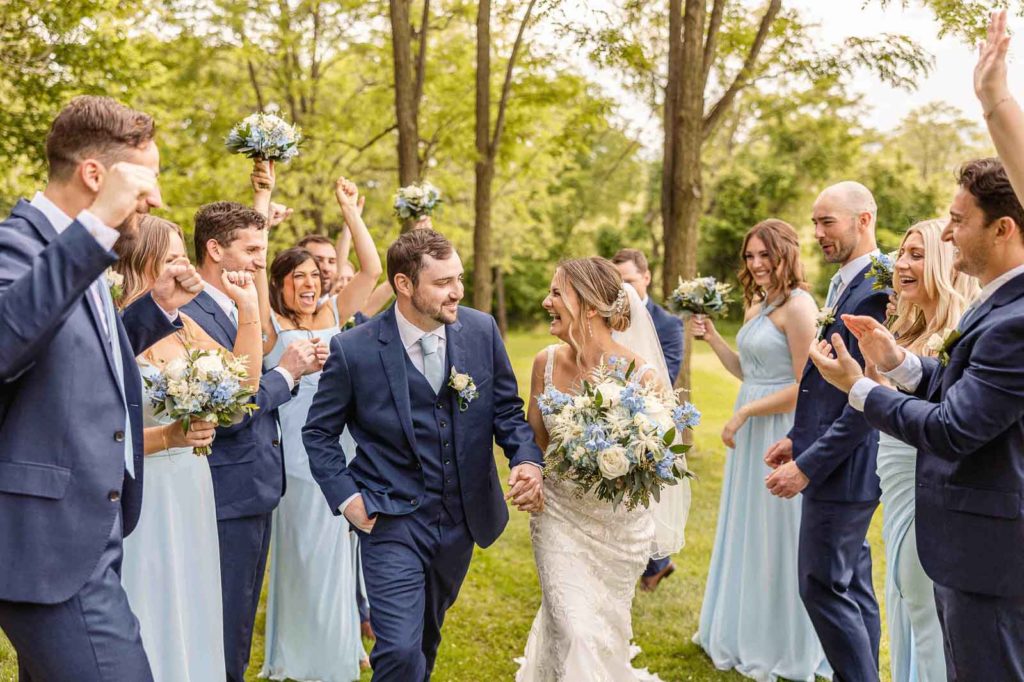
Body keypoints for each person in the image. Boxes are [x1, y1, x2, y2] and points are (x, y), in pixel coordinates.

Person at [0, 96, 203, 679]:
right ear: (97, 175)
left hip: (91, 532)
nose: (156, 199)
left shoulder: (85, 254)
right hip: (48, 546)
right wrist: (95, 228)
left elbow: (76, 355)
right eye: (147, 179)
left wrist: (155, 308)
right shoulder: (21, 245)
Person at [811, 157, 1024, 677]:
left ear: (1002, 229)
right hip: (963, 540)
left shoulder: (1015, 319)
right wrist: (896, 361)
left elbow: (953, 429)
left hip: (988, 553)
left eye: (958, 220)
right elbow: (958, 387)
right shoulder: (994, 306)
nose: (948, 232)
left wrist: (859, 387)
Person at [303, 228, 544, 681]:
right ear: (404, 285)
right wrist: (347, 498)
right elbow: (318, 432)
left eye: (458, 278)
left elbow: (507, 412)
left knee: (424, 640)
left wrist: (526, 460)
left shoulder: (480, 330)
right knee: (397, 648)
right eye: (443, 283)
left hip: (460, 519)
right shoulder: (353, 349)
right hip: (390, 518)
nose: (457, 292)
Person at [516, 257, 689, 681]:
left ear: (590, 306)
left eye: (557, 293)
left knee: (600, 632)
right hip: (558, 518)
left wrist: (625, 458)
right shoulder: (546, 364)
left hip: (619, 529)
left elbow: (665, 459)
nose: (546, 301)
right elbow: (534, 441)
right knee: (574, 629)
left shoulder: (641, 376)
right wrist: (529, 474)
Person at [116, 215, 263, 681]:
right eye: (175, 257)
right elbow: (100, 438)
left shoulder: (183, 326)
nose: (187, 266)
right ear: (145, 261)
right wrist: (170, 437)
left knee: (192, 594)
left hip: (191, 486)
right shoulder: (118, 327)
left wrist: (248, 307)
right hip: (146, 488)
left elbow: (245, 383)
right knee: (151, 593)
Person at [181, 200, 320, 682]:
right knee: (223, 619)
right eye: (253, 249)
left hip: (254, 484)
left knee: (237, 618)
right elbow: (231, 412)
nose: (262, 260)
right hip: (225, 488)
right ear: (215, 249)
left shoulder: (235, 308)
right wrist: (288, 372)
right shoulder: (191, 314)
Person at [254, 167, 383, 682]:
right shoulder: (267, 323)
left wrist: (350, 210)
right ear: (281, 285)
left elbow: (371, 270)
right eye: (298, 278)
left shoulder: (333, 314)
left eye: (315, 277)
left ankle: (336, 649)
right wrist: (262, 199)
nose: (309, 285)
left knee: (337, 551)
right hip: (289, 455)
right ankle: (295, 653)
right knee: (302, 553)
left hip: (337, 448)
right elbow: (254, 259)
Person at [689, 220, 829, 681]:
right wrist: (713, 339)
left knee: (778, 535)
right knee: (749, 527)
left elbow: (805, 385)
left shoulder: (800, 307)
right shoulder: (757, 302)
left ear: (785, 253)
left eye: (764, 255)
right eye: (750, 256)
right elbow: (747, 371)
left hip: (781, 429)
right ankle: (742, 629)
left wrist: (746, 414)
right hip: (752, 421)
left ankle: (783, 642)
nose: (756, 264)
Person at [764, 181, 889, 681]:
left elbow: (865, 401)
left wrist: (807, 466)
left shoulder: (876, 289)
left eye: (827, 222)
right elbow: (829, 382)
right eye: (814, 222)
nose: (817, 233)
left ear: (864, 220)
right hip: (835, 459)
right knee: (852, 587)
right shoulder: (844, 283)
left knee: (822, 586)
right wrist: (799, 436)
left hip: (845, 469)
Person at [873, 219, 978, 681]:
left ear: (941, 260)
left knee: (925, 611)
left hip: (930, 489)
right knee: (903, 601)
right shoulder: (902, 329)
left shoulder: (955, 336)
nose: (902, 264)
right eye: (901, 252)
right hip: (895, 490)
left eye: (917, 254)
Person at [612, 248, 685, 591]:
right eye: (616, 282)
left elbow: (666, 373)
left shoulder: (668, 323)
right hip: (611, 411)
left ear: (646, 277)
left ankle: (655, 562)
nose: (622, 288)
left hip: (650, 415)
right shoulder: (608, 316)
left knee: (644, 499)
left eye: (627, 280)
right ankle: (650, 565)